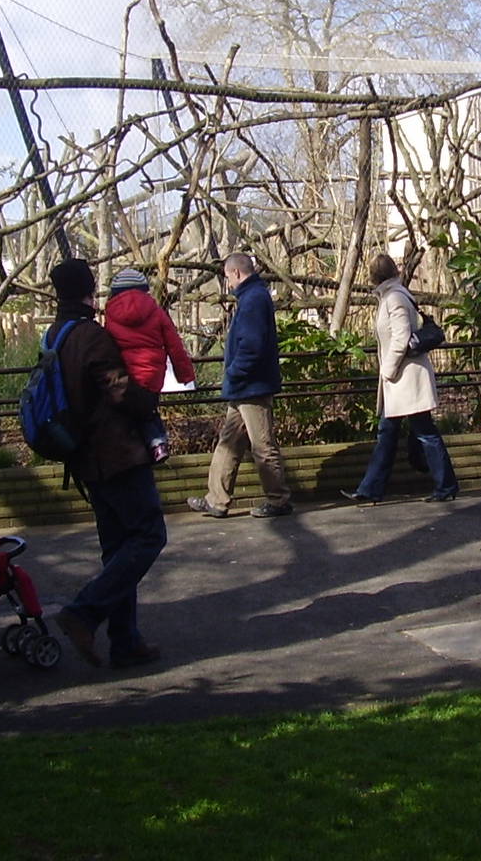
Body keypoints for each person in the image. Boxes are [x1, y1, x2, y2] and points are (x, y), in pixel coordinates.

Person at [43, 258, 167, 670]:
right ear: (89, 291)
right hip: (116, 455)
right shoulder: (90, 336)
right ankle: (84, 612)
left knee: (117, 548)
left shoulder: (56, 334)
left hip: (85, 459)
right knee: (149, 536)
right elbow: (117, 388)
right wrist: (148, 403)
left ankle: (125, 641)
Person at [342, 253, 461, 506]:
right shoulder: (395, 295)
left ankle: (445, 484)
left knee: (423, 432)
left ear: (374, 277)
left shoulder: (393, 298)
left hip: (404, 379)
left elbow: (401, 338)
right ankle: (371, 489)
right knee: (390, 433)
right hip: (402, 381)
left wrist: (388, 370)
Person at [187, 253, 293, 519]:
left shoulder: (253, 299)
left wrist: (234, 373)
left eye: (226, 277)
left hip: (251, 385)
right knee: (229, 442)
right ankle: (216, 499)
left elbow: (252, 345)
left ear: (235, 273)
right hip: (246, 386)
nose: (227, 283)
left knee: (262, 445)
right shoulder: (252, 297)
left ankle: (278, 499)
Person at [103, 267, 197, 463]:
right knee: (148, 409)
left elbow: (107, 342)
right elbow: (174, 344)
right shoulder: (156, 310)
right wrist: (185, 375)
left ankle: (144, 446)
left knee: (130, 412)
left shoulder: (110, 313)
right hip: (151, 373)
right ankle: (157, 443)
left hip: (124, 374)